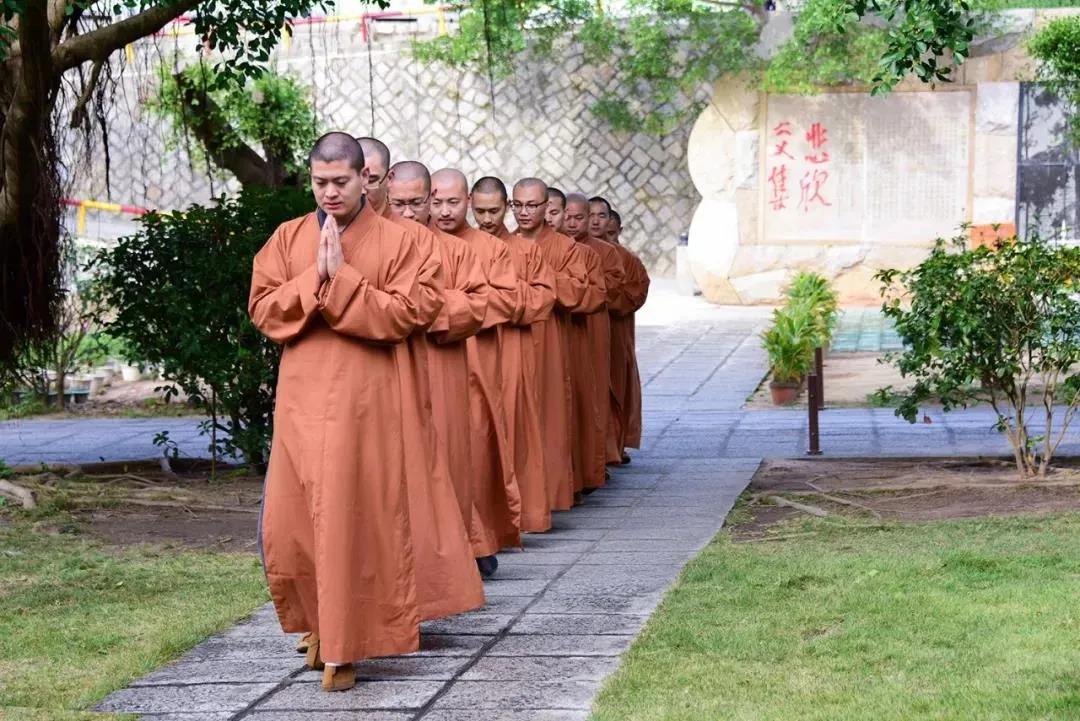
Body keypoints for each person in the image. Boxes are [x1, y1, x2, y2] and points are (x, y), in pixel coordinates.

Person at [250, 132, 423, 692]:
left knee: (353, 520)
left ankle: (347, 647)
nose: (329, 192)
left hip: (361, 402)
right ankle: (320, 626)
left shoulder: (399, 242)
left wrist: (343, 278)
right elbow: (262, 308)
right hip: (300, 400)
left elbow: (405, 314)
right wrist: (313, 278)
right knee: (292, 524)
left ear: (364, 179)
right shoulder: (287, 237)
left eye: (341, 182)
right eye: (320, 182)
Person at [357, 141, 485, 623]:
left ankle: (437, 583)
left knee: (434, 475)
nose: (408, 211)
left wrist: (416, 312)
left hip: (432, 368)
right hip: (372, 373)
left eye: (419, 203)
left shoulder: (439, 246)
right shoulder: (340, 237)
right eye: (362, 177)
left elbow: (472, 306)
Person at [437, 172, 557, 533]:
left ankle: (513, 515)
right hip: (461, 348)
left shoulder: (516, 250)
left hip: (508, 350)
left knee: (511, 427)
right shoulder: (432, 244)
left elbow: (538, 299)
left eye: (494, 211)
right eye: (481, 211)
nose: (487, 219)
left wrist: (477, 304)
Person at [428, 173, 522, 573]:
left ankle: (478, 541)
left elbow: (503, 300)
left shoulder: (487, 248)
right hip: (428, 366)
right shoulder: (416, 244)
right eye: (438, 202)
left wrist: (445, 309)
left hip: (478, 364)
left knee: (475, 456)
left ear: (464, 200)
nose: (444, 211)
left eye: (453, 202)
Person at [519, 186, 590, 510]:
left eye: (532, 205)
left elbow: (579, 292)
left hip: (550, 341)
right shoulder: (501, 245)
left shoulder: (566, 247)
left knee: (549, 418)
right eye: (518, 205)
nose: (525, 212)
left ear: (546, 207)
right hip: (510, 342)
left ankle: (550, 495)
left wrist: (541, 277)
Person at [561, 193, 609, 494]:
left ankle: (591, 465)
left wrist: (550, 286)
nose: (573, 222)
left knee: (585, 397)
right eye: (569, 216)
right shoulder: (513, 247)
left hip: (585, 332)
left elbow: (600, 293)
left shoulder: (594, 254)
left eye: (580, 216)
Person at [584, 196, 627, 467]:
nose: (596, 221)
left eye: (602, 215)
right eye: (591, 215)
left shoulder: (612, 255)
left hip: (603, 326)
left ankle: (605, 452)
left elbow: (625, 291)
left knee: (601, 388)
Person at [605, 210, 650, 462]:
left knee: (619, 387)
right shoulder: (576, 252)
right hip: (582, 332)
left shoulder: (627, 259)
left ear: (619, 230)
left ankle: (618, 444)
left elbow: (635, 292)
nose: (599, 223)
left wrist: (603, 299)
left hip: (617, 332)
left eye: (611, 230)